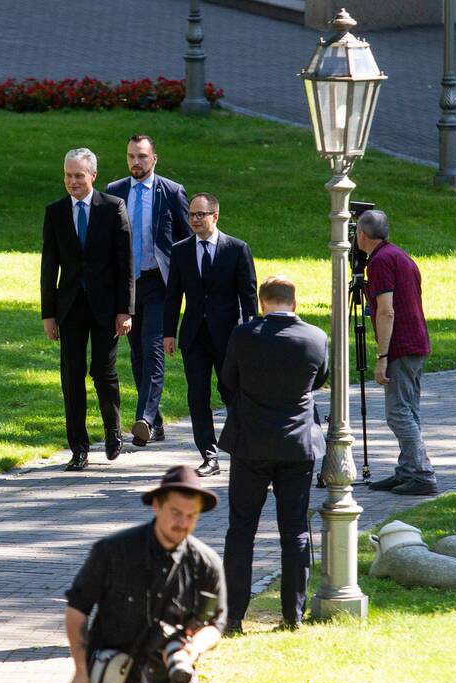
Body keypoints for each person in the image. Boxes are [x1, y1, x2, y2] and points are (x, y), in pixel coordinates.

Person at [64, 466, 226, 683]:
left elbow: (216, 624)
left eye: (191, 516)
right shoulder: (113, 552)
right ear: (156, 507)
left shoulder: (206, 564)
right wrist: (80, 670)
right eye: (175, 513)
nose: (182, 523)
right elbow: (77, 608)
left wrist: (193, 648)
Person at [219, 276, 328, 632]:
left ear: (263, 302)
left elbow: (227, 383)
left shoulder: (244, 335)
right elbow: (319, 381)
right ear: (293, 304)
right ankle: (292, 615)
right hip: (297, 445)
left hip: (250, 442)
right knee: (295, 530)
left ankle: (234, 615)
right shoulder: (316, 338)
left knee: (241, 530)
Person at [41, 148, 134, 471]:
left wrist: (126, 310)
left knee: (103, 372)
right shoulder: (55, 212)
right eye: (68, 175)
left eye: (78, 175)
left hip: (106, 308)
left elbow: (126, 263)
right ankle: (78, 447)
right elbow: (48, 266)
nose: (72, 182)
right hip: (70, 308)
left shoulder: (112, 208)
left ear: (93, 176)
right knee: (72, 375)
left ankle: (112, 430)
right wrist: (48, 314)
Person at [163, 193, 257, 477]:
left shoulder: (237, 249)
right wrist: (169, 333)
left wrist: (251, 334)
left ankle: (243, 450)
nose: (194, 220)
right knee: (197, 397)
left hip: (229, 337)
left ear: (215, 216)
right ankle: (209, 455)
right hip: (194, 337)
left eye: (200, 215)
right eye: (191, 215)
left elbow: (248, 295)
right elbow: (172, 296)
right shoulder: (180, 250)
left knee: (232, 394)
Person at [106, 135, 191, 447]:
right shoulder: (115, 192)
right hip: (128, 285)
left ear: (154, 158)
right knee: (138, 354)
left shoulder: (171, 192)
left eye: (141, 156)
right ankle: (155, 422)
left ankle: (144, 418)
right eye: (131, 156)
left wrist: (188, 283)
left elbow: (185, 241)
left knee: (153, 347)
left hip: (159, 282)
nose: (135, 162)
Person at [355, 210, 438, 496]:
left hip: (401, 345)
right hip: (417, 341)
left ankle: (423, 473)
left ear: (361, 235)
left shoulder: (379, 262)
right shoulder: (400, 255)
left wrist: (382, 356)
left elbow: (387, 311)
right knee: (409, 410)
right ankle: (408, 471)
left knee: (398, 413)